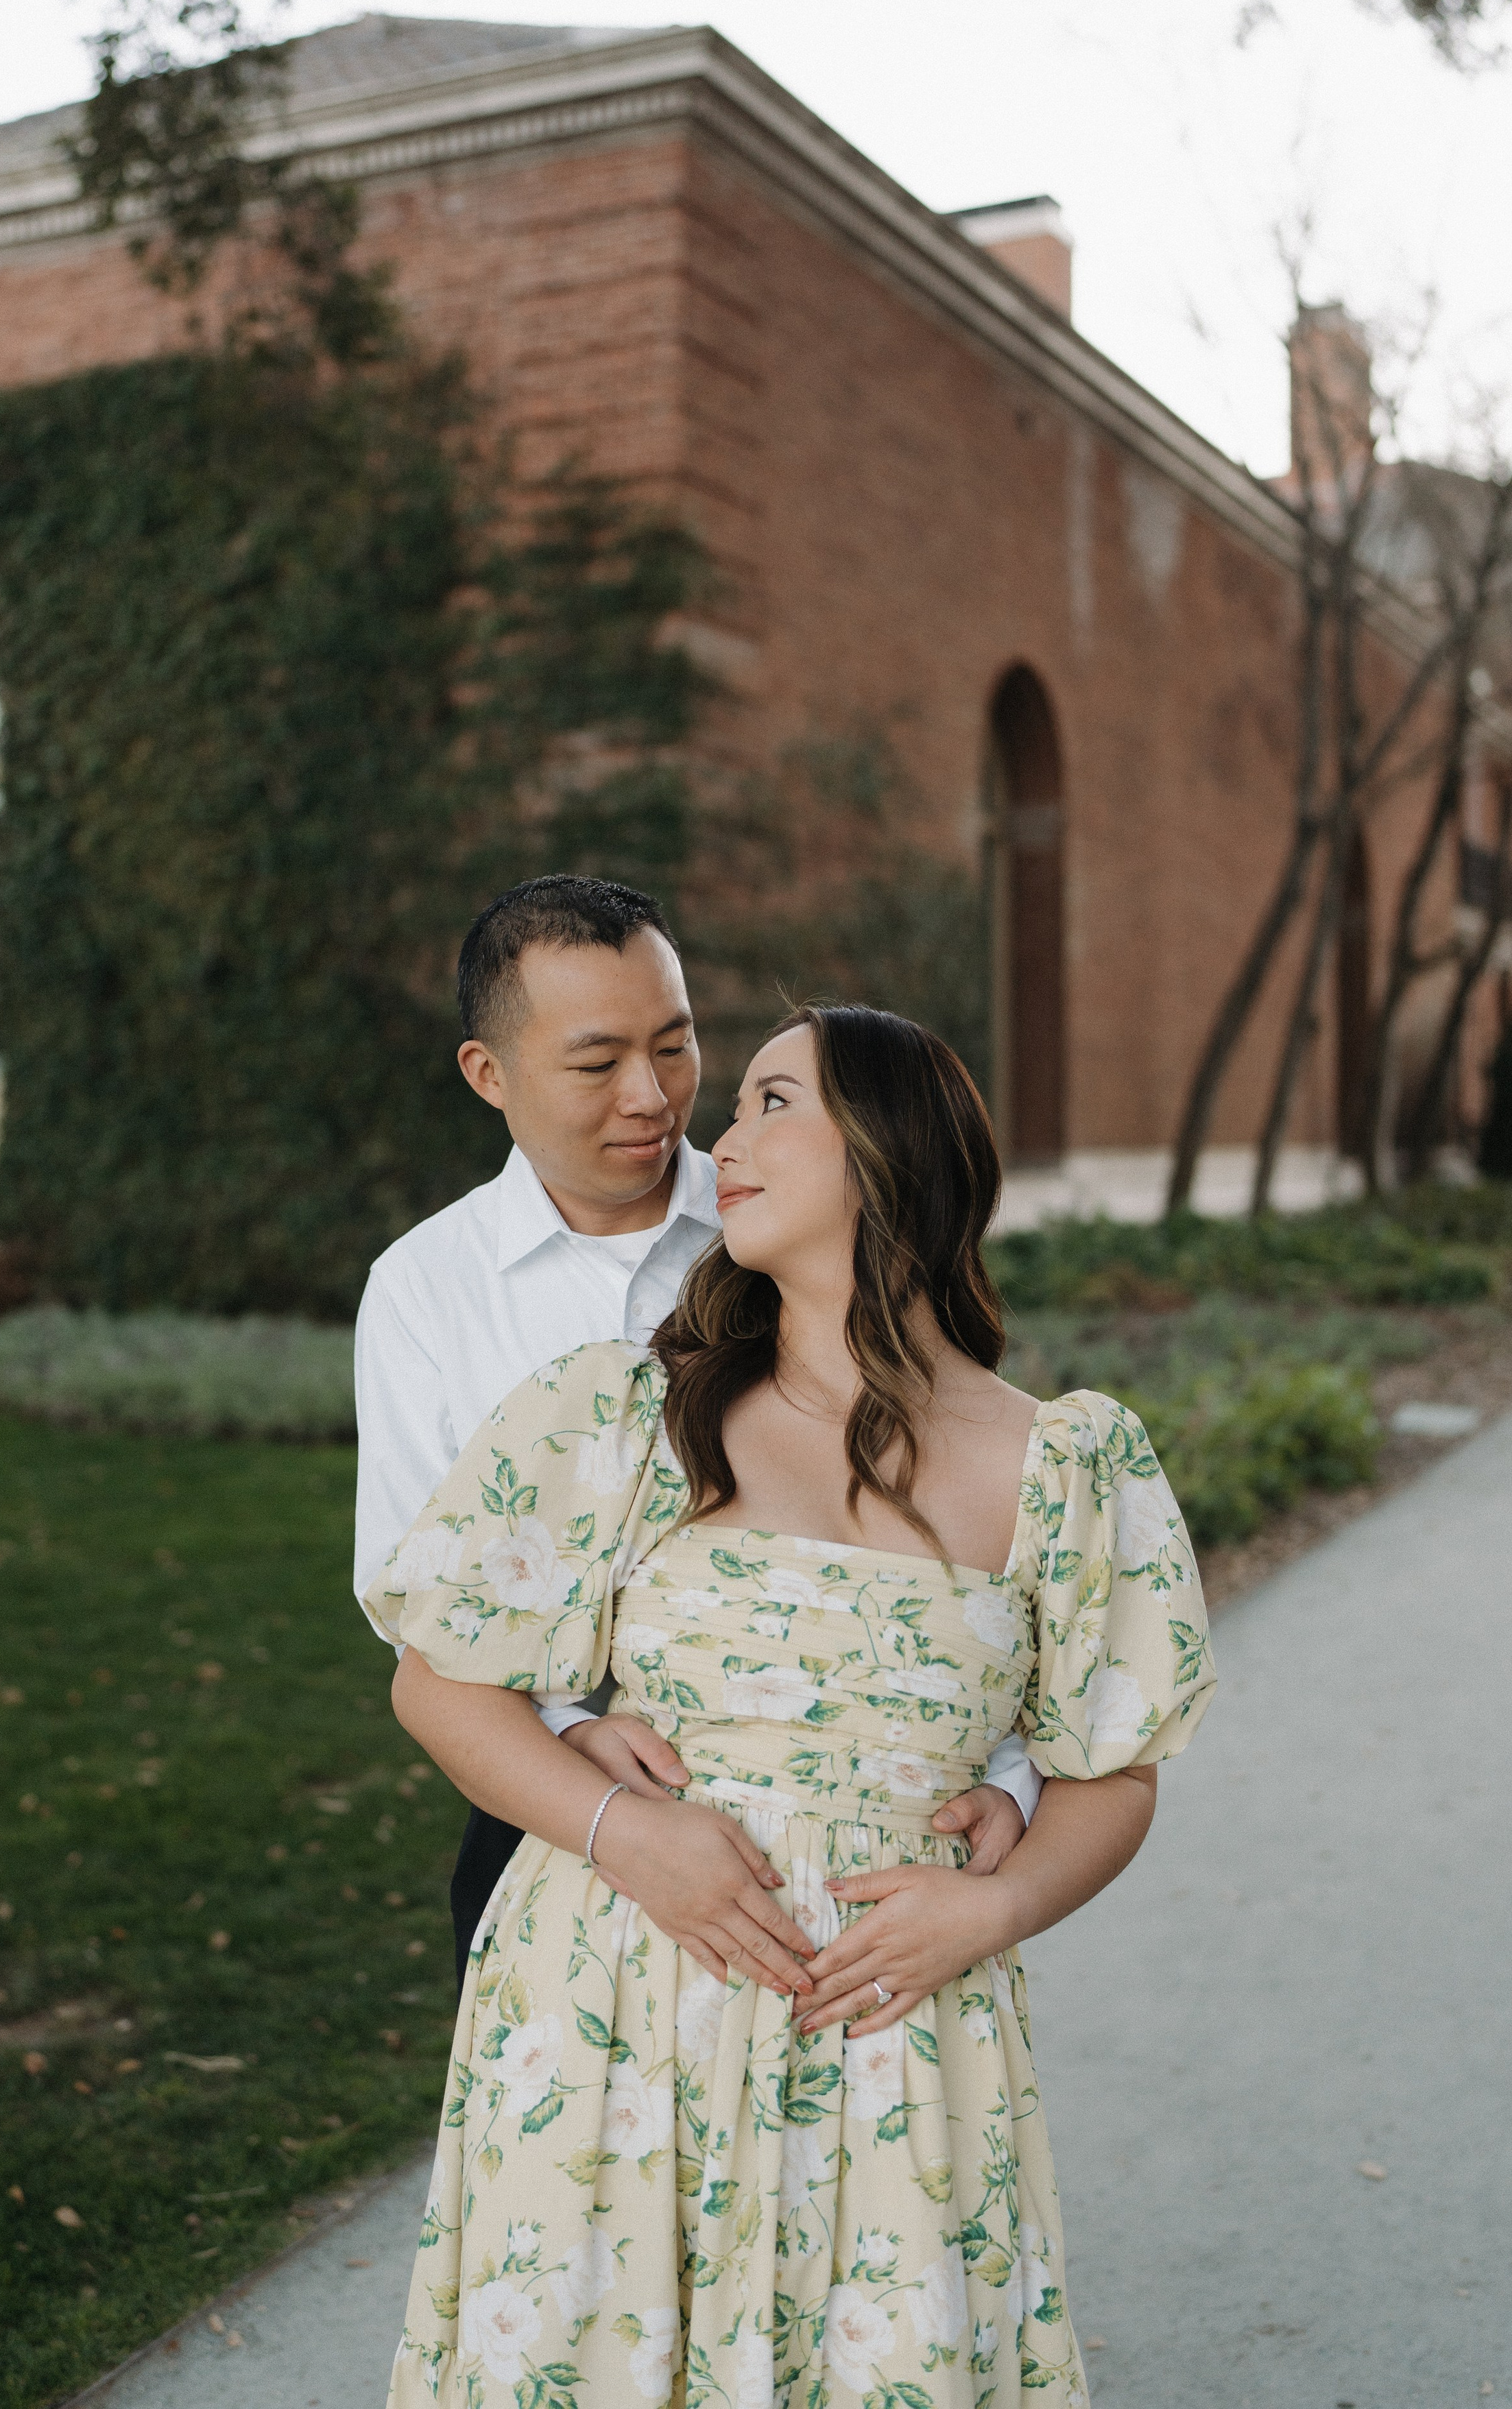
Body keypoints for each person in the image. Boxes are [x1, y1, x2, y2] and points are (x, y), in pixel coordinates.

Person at [365, 1002, 1215, 2406]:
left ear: (886, 1152)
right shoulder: (623, 1416)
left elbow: (1111, 1772)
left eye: (770, 1103)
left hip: (889, 2027)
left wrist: (993, 1909)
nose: (717, 1138)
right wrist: (620, 1829)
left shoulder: (1067, 1465)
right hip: (605, 2018)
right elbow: (438, 1684)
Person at [353, 878, 1036, 1988]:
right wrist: (579, 1747)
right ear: (490, 1074)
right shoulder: (428, 1290)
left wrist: (1011, 1777)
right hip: (560, 1812)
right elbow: (416, 1595)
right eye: (596, 1062)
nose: (653, 1096)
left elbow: (957, 1529)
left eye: (674, 1047)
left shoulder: (785, 1206)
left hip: (866, 1841)